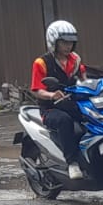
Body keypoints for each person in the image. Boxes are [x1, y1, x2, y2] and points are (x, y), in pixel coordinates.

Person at [30, 19, 86, 181]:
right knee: (64, 121)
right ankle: (72, 163)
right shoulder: (41, 63)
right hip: (50, 108)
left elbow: (84, 79)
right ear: (54, 42)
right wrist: (51, 95)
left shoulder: (75, 60)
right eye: (64, 42)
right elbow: (37, 90)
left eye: (71, 42)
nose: (68, 46)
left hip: (72, 103)